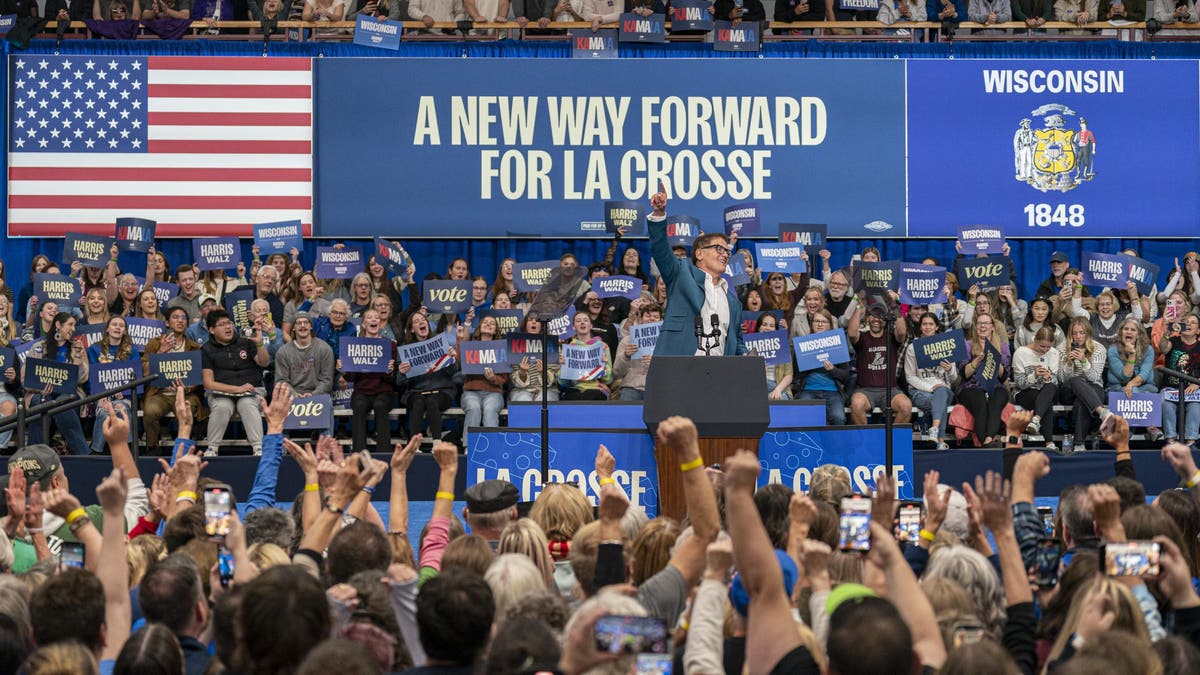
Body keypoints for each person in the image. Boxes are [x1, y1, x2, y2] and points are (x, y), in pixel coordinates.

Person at [647, 182, 745, 357]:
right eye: (719, 249)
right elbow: (660, 249)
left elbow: (737, 342)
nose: (725, 255)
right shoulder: (681, 274)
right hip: (679, 371)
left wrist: (746, 357)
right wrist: (659, 214)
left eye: (727, 251)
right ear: (699, 253)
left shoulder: (733, 301)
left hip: (718, 376)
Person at [201, 308, 271, 456]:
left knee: (246, 403)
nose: (228, 327)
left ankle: (258, 447)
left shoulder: (245, 340)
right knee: (222, 406)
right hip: (222, 393)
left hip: (251, 390)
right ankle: (212, 448)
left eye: (229, 323)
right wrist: (237, 389)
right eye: (222, 324)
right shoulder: (206, 349)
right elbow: (208, 383)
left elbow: (264, 363)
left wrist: (259, 344)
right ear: (212, 330)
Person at [25, 312, 90, 455]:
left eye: (74, 325)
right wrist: (40, 388)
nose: (73, 329)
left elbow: (83, 378)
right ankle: (33, 455)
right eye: (70, 325)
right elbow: (26, 378)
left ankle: (83, 454)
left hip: (70, 394)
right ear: (58, 325)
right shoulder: (38, 347)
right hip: (43, 393)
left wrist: (78, 357)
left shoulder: (76, 348)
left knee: (63, 402)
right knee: (39, 402)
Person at [142, 307, 204, 452]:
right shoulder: (155, 343)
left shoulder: (194, 347)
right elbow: (144, 373)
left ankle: (184, 449)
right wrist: (161, 352)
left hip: (186, 393)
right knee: (150, 410)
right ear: (167, 323)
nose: (180, 320)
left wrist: (188, 388)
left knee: (187, 410)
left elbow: (198, 377)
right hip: (160, 394)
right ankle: (152, 448)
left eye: (183, 318)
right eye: (176, 317)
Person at [342, 310, 398, 452]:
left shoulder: (390, 345)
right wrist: (343, 369)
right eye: (369, 317)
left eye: (377, 317)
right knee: (359, 406)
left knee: (380, 405)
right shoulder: (354, 345)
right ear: (364, 324)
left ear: (380, 323)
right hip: (361, 391)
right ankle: (359, 454)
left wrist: (390, 371)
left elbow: (394, 379)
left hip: (384, 391)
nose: (374, 319)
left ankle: (384, 454)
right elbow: (350, 378)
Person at [847, 301, 912, 427]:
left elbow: (902, 332)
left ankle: (891, 442)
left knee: (905, 406)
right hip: (865, 390)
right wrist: (860, 305)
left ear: (886, 319)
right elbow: (852, 333)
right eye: (873, 315)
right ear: (867, 318)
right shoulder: (863, 338)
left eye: (880, 316)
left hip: (890, 390)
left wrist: (893, 306)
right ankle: (866, 443)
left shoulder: (891, 338)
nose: (876, 319)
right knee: (856, 404)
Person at [903, 313, 957, 449]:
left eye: (931, 324)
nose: (927, 327)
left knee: (942, 393)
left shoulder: (945, 346)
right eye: (924, 324)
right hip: (921, 391)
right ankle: (940, 440)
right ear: (920, 327)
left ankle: (934, 428)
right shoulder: (913, 348)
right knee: (940, 402)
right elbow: (910, 377)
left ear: (937, 326)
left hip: (944, 390)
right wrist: (930, 388)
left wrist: (950, 369)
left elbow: (954, 378)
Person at [956, 313, 1010, 447]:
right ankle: (989, 444)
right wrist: (977, 361)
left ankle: (987, 442)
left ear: (992, 327)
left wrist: (995, 360)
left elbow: (1004, 377)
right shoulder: (967, 345)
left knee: (995, 403)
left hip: (995, 385)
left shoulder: (1002, 346)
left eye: (986, 323)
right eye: (980, 323)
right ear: (975, 326)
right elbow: (964, 374)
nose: (983, 326)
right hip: (971, 386)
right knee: (980, 405)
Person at [1058, 317, 1112, 444]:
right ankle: (1101, 412)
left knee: (1082, 402)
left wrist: (1084, 361)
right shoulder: (1061, 349)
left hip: (1093, 387)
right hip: (1068, 390)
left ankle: (1079, 445)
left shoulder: (1098, 349)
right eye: (1074, 333)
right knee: (1075, 380)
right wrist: (1069, 364)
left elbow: (1094, 377)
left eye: (1081, 333)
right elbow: (1061, 379)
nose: (1078, 337)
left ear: (1088, 334)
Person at [792, 309, 850, 426]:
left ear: (830, 325)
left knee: (838, 417)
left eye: (823, 322)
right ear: (811, 324)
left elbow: (846, 375)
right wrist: (808, 362)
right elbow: (795, 374)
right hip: (808, 390)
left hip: (833, 391)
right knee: (804, 418)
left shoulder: (837, 343)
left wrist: (833, 370)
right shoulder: (803, 344)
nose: (819, 324)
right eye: (816, 321)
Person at [1107, 317, 1161, 441]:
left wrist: (1131, 385)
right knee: (1137, 393)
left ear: (1139, 334)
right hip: (1117, 389)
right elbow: (1124, 375)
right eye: (1126, 329)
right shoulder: (1113, 350)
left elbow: (1145, 374)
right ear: (1121, 332)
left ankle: (1127, 431)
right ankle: (1151, 427)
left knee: (1145, 392)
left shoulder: (1148, 350)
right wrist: (1132, 354)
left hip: (1144, 386)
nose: (1129, 332)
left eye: (1133, 330)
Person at [1012, 326, 1062, 449]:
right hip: (1025, 392)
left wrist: (1049, 377)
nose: (1045, 350)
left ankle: (1036, 420)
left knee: (1049, 388)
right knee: (1045, 402)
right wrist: (1033, 376)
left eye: (1048, 347)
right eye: (1042, 346)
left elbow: (1056, 382)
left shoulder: (1055, 353)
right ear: (1035, 341)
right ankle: (1049, 442)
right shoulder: (1021, 353)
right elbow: (1019, 383)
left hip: (1047, 390)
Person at [1160, 312, 1200, 446]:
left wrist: (1198, 383)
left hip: (1193, 391)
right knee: (1166, 404)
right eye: (1186, 321)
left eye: (1193, 322)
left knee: (1195, 406)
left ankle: (1191, 441)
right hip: (1170, 388)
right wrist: (1166, 331)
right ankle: (1171, 441)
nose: (1188, 324)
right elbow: (1163, 349)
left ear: (1198, 330)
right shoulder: (1173, 341)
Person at [558, 313, 613, 401]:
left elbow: (608, 380)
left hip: (596, 389)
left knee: (590, 394)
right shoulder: (568, 349)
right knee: (572, 396)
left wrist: (604, 364)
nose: (582, 323)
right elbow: (563, 383)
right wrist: (563, 367)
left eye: (585, 320)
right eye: (578, 321)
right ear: (573, 327)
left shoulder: (603, 347)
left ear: (591, 325)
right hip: (575, 389)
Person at [613, 302, 660, 402]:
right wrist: (626, 356)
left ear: (661, 320)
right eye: (648, 316)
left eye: (656, 316)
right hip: (631, 388)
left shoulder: (666, 342)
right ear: (640, 319)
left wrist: (657, 363)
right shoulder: (627, 341)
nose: (652, 319)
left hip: (658, 388)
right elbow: (616, 372)